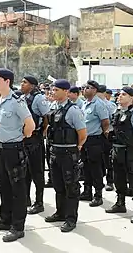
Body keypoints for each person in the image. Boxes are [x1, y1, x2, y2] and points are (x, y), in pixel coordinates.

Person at [0, 68, 35, 243]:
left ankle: (17, 226)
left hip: (14, 149)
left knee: (17, 190)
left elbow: (30, 124)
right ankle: (4, 220)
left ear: (7, 81)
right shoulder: (0, 100)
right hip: (1, 149)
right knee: (4, 186)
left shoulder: (16, 101)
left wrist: (21, 136)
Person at [44, 79, 87, 232]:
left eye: (56, 90)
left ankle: (70, 218)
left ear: (66, 92)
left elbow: (82, 134)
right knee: (58, 185)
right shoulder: (54, 108)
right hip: (55, 152)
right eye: (52, 90)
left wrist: (77, 148)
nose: (52, 92)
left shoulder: (73, 110)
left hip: (68, 153)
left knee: (71, 187)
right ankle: (60, 212)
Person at [105, 87, 133, 224]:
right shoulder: (117, 112)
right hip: (117, 151)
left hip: (130, 152)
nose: (120, 97)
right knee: (118, 178)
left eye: (124, 95)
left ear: (132, 98)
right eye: (119, 95)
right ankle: (120, 203)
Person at [20, 75, 50, 214]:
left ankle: (39, 202)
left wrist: (41, 133)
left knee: (37, 172)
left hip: (35, 139)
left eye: (25, 83)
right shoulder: (22, 98)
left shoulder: (38, 98)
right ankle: (25, 198)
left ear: (32, 85)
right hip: (24, 138)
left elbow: (46, 118)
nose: (22, 84)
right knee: (25, 172)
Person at [79, 80, 109, 207]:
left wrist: (102, 134)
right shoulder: (84, 103)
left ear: (95, 90)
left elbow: (105, 122)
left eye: (89, 88)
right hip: (85, 139)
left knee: (95, 167)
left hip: (95, 139)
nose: (85, 89)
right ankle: (87, 191)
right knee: (85, 166)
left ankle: (98, 194)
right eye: (85, 87)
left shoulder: (99, 104)